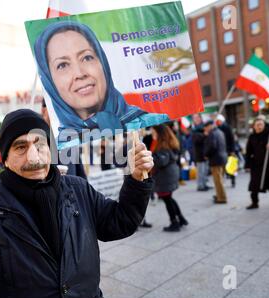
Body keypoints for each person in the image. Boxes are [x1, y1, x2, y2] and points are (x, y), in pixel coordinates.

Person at [0, 109, 154, 298]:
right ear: (5, 159)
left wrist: (136, 179)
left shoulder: (78, 188)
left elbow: (120, 222)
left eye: (39, 144)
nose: (34, 156)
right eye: (20, 147)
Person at [33, 21, 169, 149]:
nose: (80, 74)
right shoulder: (54, 150)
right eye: (62, 65)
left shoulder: (154, 119)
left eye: (87, 58)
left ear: (103, 63)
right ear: (49, 81)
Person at [151, 124, 188, 232]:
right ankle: (181, 218)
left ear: (159, 134)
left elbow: (161, 161)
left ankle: (174, 222)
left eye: (154, 132)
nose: (152, 134)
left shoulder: (163, 145)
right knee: (169, 198)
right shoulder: (167, 143)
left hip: (165, 177)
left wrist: (149, 156)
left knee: (167, 200)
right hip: (169, 174)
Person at [203, 120, 228, 204]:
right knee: (219, 179)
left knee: (218, 180)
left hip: (216, 159)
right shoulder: (220, 132)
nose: (205, 129)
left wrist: (206, 154)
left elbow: (212, 146)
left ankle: (221, 198)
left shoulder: (212, 133)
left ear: (209, 126)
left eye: (206, 127)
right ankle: (219, 195)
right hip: (222, 158)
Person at [216, 114, 236, 187]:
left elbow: (232, 140)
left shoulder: (227, 128)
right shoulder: (217, 128)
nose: (218, 122)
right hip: (221, 150)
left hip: (229, 150)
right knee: (223, 166)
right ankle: (224, 179)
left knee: (231, 166)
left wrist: (232, 150)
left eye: (219, 121)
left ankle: (233, 180)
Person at [191, 113, 210, 191]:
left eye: (197, 117)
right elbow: (196, 140)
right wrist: (204, 135)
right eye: (194, 118)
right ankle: (200, 186)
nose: (196, 119)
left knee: (205, 170)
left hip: (206, 152)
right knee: (200, 171)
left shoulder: (203, 126)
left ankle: (204, 184)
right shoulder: (194, 129)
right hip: (199, 153)